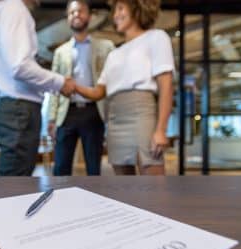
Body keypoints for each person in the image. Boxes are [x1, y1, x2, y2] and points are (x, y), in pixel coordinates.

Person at [74, 0, 174, 175]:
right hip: (114, 121)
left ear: (136, 9)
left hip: (141, 115)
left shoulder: (156, 37)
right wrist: (71, 85)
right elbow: (98, 92)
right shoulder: (114, 54)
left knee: (154, 186)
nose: (115, 15)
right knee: (123, 186)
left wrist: (161, 130)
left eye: (121, 9)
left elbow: (166, 86)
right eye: (114, 11)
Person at [0, 0, 75, 176]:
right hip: (20, 111)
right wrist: (60, 82)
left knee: (14, 180)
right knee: (13, 186)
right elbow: (20, 67)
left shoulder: (2, 9)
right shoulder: (14, 9)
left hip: (15, 110)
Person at [47, 0, 115, 176]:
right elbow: (55, 87)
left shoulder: (105, 47)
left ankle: (94, 203)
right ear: (68, 19)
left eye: (80, 11)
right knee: (61, 167)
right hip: (66, 112)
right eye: (71, 13)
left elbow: (111, 83)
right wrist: (51, 118)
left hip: (94, 111)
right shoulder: (60, 52)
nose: (76, 15)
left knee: (94, 168)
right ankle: (61, 202)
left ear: (90, 16)